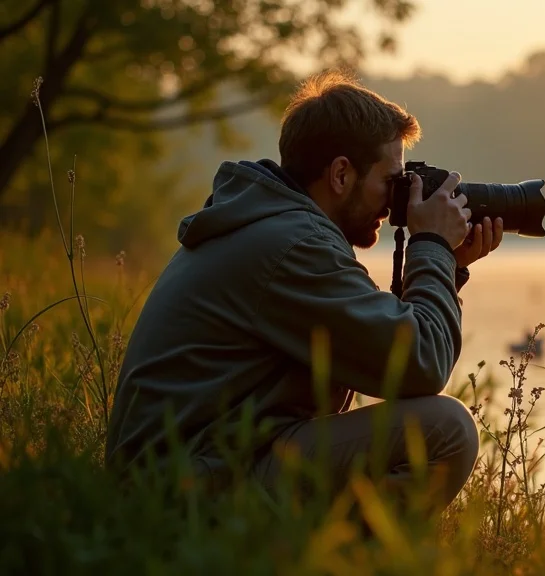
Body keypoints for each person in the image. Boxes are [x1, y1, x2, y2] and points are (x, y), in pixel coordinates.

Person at [105, 68, 503, 513]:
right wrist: (431, 246)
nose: (397, 202)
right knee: (447, 430)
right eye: (391, 182)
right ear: (340, 175)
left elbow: (382, 355)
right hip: (181, 493)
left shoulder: (272, 224)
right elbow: (420, 363)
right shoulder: (292, 246)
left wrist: (447, 265)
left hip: (191, 468)